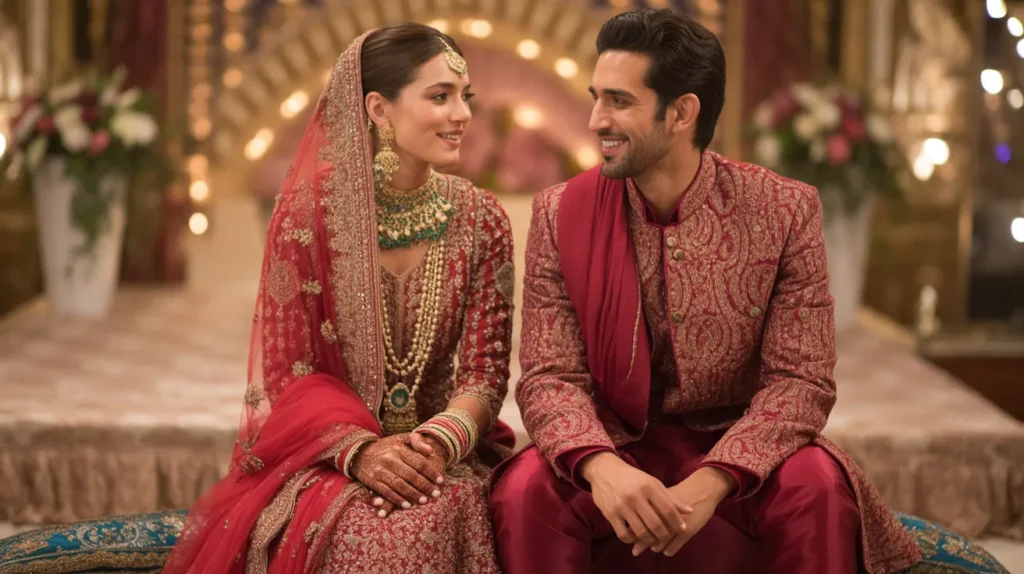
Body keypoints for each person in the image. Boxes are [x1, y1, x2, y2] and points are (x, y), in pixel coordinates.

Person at [489, 9, 922, 574]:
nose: (595, 120)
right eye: (597, 98)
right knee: (525, 492)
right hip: (612, 441)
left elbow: (802, 380)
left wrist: (715, 479)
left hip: (738, 440)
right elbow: (550, 376)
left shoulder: (783, 211)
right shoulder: (560, 212)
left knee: (817, 487)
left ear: (681, 113)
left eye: (619, 101)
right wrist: (601, 467)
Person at [165, 23, 516, 573]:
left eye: (464, 96)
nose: (462, 114)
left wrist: (434, 446)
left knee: (435, 514)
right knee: (368, 528)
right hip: (329, 455)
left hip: (444, 453)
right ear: (379, 109)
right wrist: (363, 453)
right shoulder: (309, 216)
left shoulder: (481, 219)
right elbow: (290, 375)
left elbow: (485, 373)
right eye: (440, 96)